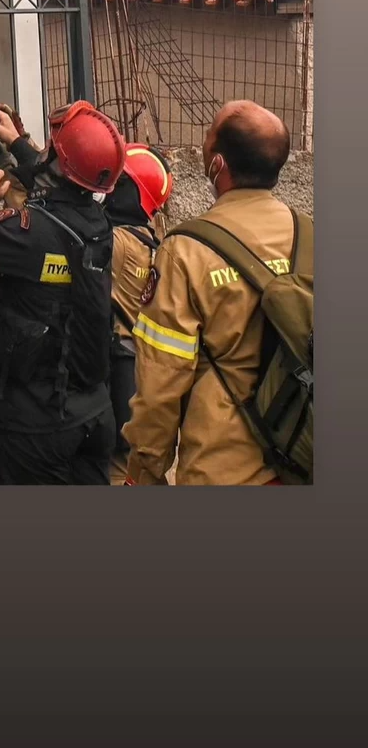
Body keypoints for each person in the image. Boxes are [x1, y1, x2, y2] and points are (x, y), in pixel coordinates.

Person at [0, 100, 126, 485]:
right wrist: (19, 145)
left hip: (40, 419)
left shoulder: (28, 235)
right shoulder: (98, 223)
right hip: (94, 410)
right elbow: (67, 186)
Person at [123, 101, 304, 486]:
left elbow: (160, 384)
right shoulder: (313, 237)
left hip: (223, 469)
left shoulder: (187, 250)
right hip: (303, 461)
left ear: (217, 165)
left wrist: (144, 469)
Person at [103, 144, 173, 474]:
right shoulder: (154, 239)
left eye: (117, 182)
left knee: (113, 468)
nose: (108, 188)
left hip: (116, 371)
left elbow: (62, 227)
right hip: (138, 374)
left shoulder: (116, 244)